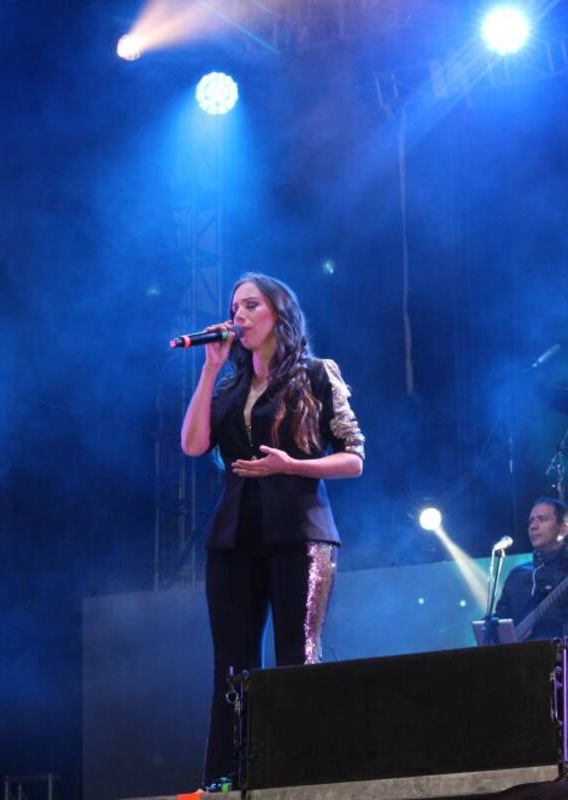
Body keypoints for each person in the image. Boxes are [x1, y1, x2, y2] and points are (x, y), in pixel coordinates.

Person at [180, 273, 365, 786]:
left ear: (279, 313)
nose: (238, 316)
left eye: (250, 305)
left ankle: (297, 774)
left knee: (295, 656)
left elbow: (354, 458)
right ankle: (226, 777)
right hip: (234, 536)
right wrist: (210, 368)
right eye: (234, 308)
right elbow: (193, 445)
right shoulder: (229, 386)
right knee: (231, 663)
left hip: (299, 533)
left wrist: (292, 466)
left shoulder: (316, 375)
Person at [494, 498, 568, 641]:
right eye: (531, 521)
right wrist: (490, 626)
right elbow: (501, 623)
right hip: (521, 655)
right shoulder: (517, 575)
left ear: (563, 529)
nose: (533, 526)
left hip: (565, 654)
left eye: (542, 519)